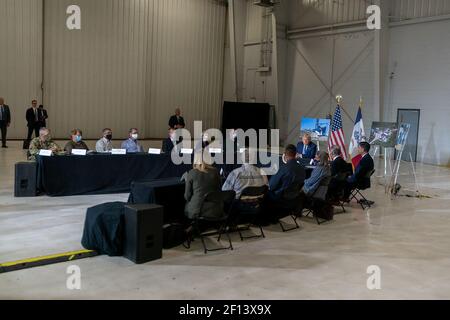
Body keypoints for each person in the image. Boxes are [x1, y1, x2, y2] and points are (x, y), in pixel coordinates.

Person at [184, 153, 222, 220]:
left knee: (187, 205)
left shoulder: (192, 172)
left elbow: (187, 196)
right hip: (215, 210)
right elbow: (219, 190)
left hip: (197, 211)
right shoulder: (216, 172)